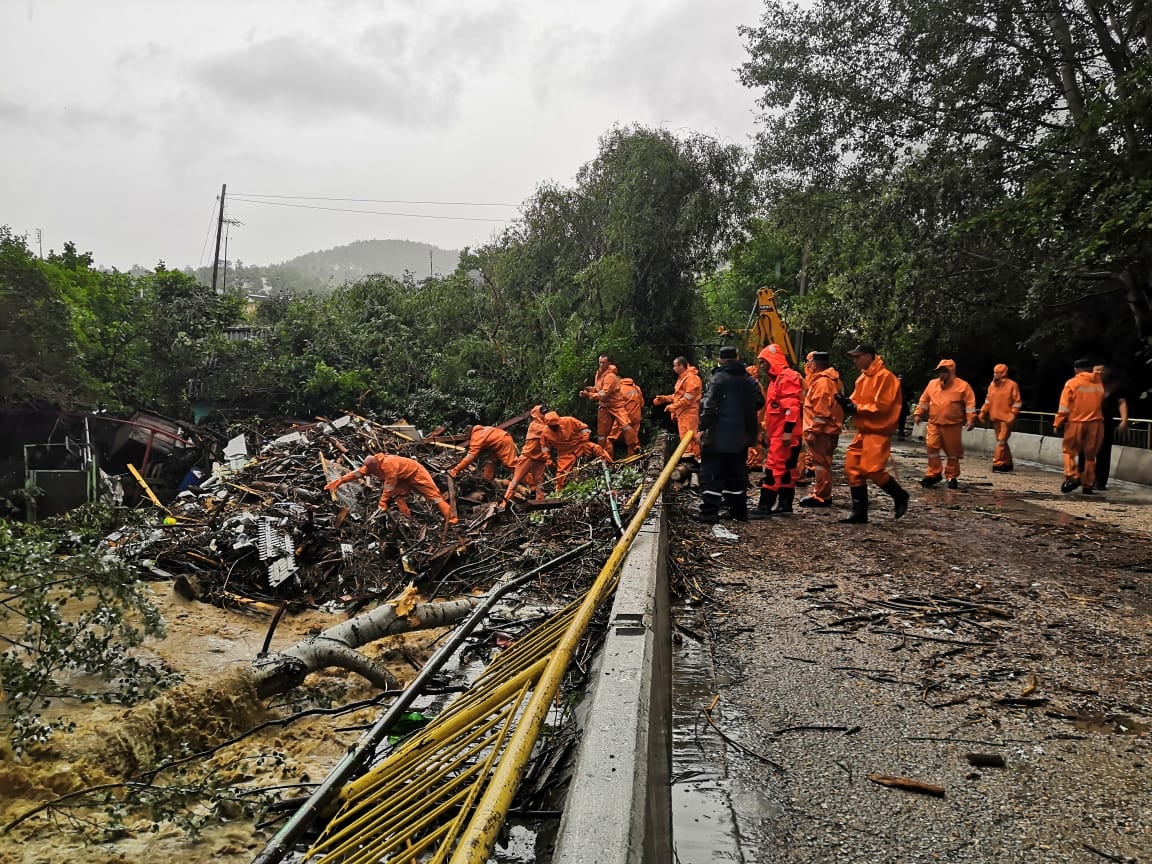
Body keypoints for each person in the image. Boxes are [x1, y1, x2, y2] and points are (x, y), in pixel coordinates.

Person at [838, 344, 910, 523]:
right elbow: (856, 400)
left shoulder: (886, 377)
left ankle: (900, 495)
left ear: (869, 356)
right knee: (852, 468)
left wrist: (856, 407)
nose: (855, 360)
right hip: (863, 431)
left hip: (878, 432)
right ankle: (859, 513)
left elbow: (882, 406)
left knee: (873, 469)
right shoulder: (862, 378)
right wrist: (847, 404)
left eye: (858, 356)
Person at [696, 346, 764, 523]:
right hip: (741, 436)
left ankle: (709, 512)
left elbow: (709, 406)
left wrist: (702, 428)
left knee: (712, 474)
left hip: (719, 436)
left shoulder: (719, 379)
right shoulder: (749, 380)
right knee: (736, 473)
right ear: (737, 357)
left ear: (720, 360)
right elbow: (759, 401)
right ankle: (738, 511)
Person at [325, 453, 457, 525]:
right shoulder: (371, 466)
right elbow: (357, 473)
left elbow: (389, 485)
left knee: (434, 497)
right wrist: (340, 481)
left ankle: (452, 520)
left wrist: (382, 502)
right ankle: (408, 520)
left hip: (416, 472)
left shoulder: (389, 465)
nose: (370, 472)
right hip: (403, 478)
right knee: (398, 496)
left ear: (377, 465)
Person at [752, 344, 804, 516]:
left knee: (773, 468)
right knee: (788, 469)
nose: (761, 366)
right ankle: (785, 504)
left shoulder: (786, 377)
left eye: (763, 361)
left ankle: (764, 506)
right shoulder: (775, 380)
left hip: (785, 435)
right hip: (780, 434)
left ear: (772, 360)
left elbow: (791, 407)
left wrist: (787, 432)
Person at [913, 359, 977, 489]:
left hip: (953, 425)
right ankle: (934, 473)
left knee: (953, 452)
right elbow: (924, 400)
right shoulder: (932, 384)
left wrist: (971, 419)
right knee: (931, 447)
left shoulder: (963, 386)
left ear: (951, 372)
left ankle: (951, 476)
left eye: (944, 371)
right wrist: (918, 413)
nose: (941, 374)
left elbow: (970, 404)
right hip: (934, 423)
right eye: (940, 371)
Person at [799, 351, 844, 508]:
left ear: (814, 363)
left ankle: (821, 496)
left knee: (821, 464)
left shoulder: (822, 383)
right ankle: (822, 493)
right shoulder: (833, 381)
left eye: (809, 362)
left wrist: (813, 431)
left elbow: (821, 411)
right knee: (823, 463)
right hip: (828, 430)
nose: (807, 365)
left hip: (822, 432)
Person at [1054, 358, 1105, 494]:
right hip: (1096, 424)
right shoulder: (1098, 383)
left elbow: (1064, 406)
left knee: (1069, 451)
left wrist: (1058, 422)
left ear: (1076, 369)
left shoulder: (1072, 383)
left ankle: (1073, 477)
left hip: (1076, 422)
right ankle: (1088, 484)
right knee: (1090, 457)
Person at [580, 355, 639, 456]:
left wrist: (589, 395)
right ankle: (603, 455)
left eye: (603, 362)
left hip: (616, 405)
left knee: (625, 425)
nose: (601, 364)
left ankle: (635, 447)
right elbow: (598, 389)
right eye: (600, 362)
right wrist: (590, 389)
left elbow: (604, 393)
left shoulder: (610, 376)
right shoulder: (599, 374)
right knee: (602, 434)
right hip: (604, 406)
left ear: (608, 363)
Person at [541, 411, 613, 491]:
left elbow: (584, 428)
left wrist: (585, 438)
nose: (554, 427)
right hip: (565, 454)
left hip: (580, 445)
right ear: (547, 425)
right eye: (551, 426)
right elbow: (545, 448)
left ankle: (612, 466)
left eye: (555, 425)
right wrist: (547, 459)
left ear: (558, 421)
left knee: (597, 449)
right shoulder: (545, 433)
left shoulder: (569, 420)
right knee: (560, 476)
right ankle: (559, 492)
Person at [1085, 365, 1129, 490]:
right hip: (1088, 422)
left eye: (1102, 370)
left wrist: (1124, 420)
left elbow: (1121, 402)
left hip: (1106, 423)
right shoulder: (1086, 384)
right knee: (1087, 453)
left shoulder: (1114, 386)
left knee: (1104, 453)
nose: (1099, 372)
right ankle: (1086, 479)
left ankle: (1100, 482)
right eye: (1097, 370)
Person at [653, 356, 702, 461]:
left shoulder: (691, 378)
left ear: (681, 366)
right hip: (683, 412)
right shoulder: (683, 378)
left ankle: (695, 458)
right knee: (685, 437)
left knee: (690, 436)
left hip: (689, 412)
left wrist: (674, 407)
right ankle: (690, 458)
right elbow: (678, 396)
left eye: (675, 366)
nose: (673, 368)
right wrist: (665, 399)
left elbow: (688, 398)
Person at [502, 405, 552, 507]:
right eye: (543, 413)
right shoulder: (535, 426)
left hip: (539, 459)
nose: (545, 415)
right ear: (536, 415)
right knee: (516, 480)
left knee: (539, 482)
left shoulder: (546, 425)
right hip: (527, 457)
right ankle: (505, 502)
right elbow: (547, 431)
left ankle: (540, 500)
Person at [978, 364, 1023, 472]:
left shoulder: (1012, 385)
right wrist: (982, 413)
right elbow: (988, 401)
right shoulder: (992, 386)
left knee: (1001, 441)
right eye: (994, 372)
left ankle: (998, 463)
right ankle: (1008, 463)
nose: (995, 375)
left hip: (1007, 419)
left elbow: (1017, 402)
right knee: (1001, 441)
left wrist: (1012, 415)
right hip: (995, 419)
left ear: (1003, 373)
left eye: (997, 373)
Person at [447, 425, 519, 481]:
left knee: (512, 465)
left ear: (468, 433)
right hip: (499, 442)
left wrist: (455, 470)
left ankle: (526, 481)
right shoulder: (482, 430)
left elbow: (470, 457)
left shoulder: (476, 437)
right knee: (490, 461)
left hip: (502, 443)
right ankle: (486, 480)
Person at [608, 376, 645, 455]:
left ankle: (608, 460)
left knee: (609, 440)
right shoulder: (636, 388)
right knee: (631, 442)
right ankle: (632, 460)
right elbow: (642, 404)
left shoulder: (618, 390)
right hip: (636, 417)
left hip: (624, 419)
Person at [745, 362, 767, 472]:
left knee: (754, 441)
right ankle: (755, 462)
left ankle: (754, 462)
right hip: (758, 418)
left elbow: (759, 405)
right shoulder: (757, 386)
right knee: (756, 440)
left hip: (756, 418)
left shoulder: (755, 387)